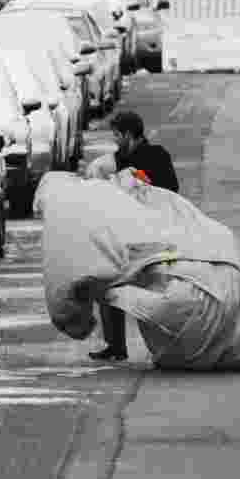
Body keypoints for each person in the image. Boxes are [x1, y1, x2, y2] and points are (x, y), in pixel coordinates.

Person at [89, 110, 180, 362]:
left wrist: (140, 182)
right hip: (125, 232)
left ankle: (169, 346)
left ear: (129, 134)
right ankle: (115, 345)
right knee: (108, 283)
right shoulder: (117, 159)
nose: (116, 141)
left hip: (153, 233)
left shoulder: (157, 156)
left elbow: (171, 190)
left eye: (118, 135)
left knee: (159, 293)